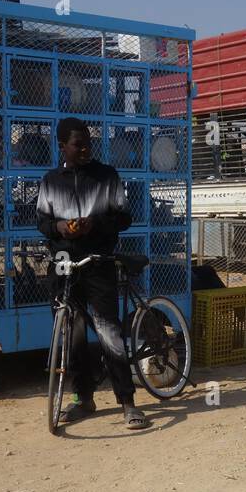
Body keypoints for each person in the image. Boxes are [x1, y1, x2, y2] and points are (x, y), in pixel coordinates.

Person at [36, 117, 149, 430]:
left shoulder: (106, 176)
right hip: (62, 266)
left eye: (88, 143)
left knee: (109, 333)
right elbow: (42, 223)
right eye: (78, 144)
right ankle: (83, 398)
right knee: (71, 337)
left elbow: (123, 218)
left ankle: (128, 403)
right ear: (62, 146)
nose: (85, 149)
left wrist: (94, 224)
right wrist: (60, 227)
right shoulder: (50, 180)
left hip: (97, 264)